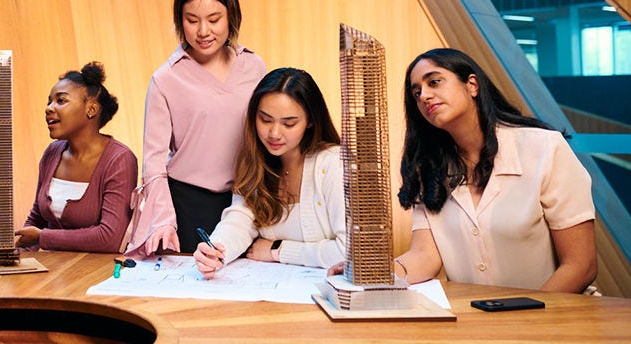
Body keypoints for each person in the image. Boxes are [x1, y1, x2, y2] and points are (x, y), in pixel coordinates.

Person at [390, 48, 596, 292]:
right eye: (416, 93)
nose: (424, 96)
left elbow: (581, 265)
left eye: (434, 82)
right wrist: (365, 273)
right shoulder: (430, 170)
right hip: (479, 321)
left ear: (472, 85)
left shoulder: (543, 148)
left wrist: (528, 319)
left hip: (552, 318)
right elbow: (424, 257)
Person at [126, 0, 267, 256]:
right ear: (180, 21)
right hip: (187, 204)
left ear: (231, 16)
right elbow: (153, 163)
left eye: (214, 19)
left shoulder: (254, 67)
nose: (203, 31)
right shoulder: (165, 79)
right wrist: (164, 220)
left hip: (245, 202)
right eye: (192, 20)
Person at [194, 68, 346, 278]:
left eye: (289, 123)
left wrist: (278, 250)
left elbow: (351, 252)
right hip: (272, 295)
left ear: (310, 121)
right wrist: (216, 251)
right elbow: (240, 220)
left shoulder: (334, 164)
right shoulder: (257, 162)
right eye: (265, 120)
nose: (274, 133)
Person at [15, 62, 138, 252]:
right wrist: (16, 258)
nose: (49, 108)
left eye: (61, 101)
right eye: (49, 101)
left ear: (91, 109)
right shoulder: (52, 153)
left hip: (97, 276)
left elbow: (110, 237)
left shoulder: (120, 159)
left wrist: (43, 237)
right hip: (52, 272)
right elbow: (37, 219)